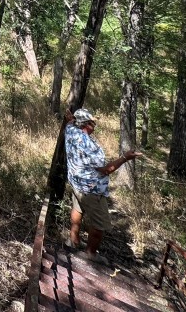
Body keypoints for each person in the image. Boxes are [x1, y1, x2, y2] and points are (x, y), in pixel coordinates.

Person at [63, 108, 141, 264]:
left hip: (77, 184)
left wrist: (70, 118)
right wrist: (126, 157)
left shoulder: (71, 130)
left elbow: (70, 122)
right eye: (93, 122)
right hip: (92, 190)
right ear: (85, 124)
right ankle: (91, 253)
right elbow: (106, 170)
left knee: (77, 210)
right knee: (100, 225)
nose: (95, 125)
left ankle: (73, 241)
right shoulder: (90, 147)